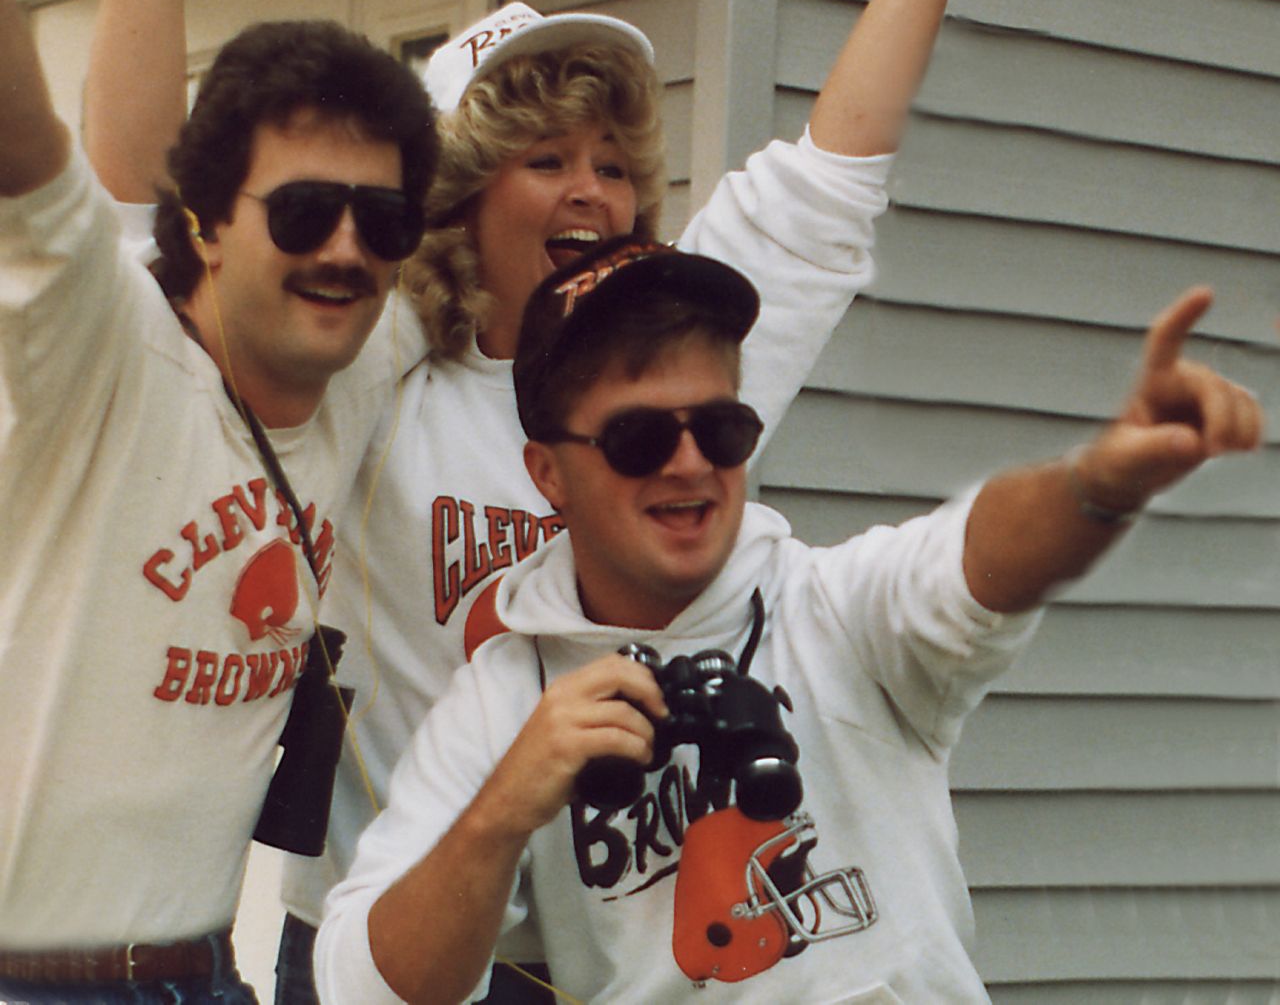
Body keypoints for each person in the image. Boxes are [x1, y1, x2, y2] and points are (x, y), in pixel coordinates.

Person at [84, 0, 995, 997]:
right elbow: (148, 226)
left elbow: (827, 175)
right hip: (388, 934)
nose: (591, 190)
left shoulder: (666, 362)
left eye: (612, 161)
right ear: (460, 195)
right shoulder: (374, 368)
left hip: (600, 947)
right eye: (545, 159)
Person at [314, 236, 1263, 1004]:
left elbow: (978, 557)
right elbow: (364, 984)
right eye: (641, 436)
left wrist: (1100, 481)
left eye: (720, 429)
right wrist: (500, 816)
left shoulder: (832, 608)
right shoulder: (504, 699)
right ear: (548, 474)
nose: (689, 465)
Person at [0, 0, 441, 1000]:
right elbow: (49, 170)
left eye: (382, 220)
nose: (347, 248)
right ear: (204, 223)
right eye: (301, 212)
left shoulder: (360, 361)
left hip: (199, 972)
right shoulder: (104, 361)